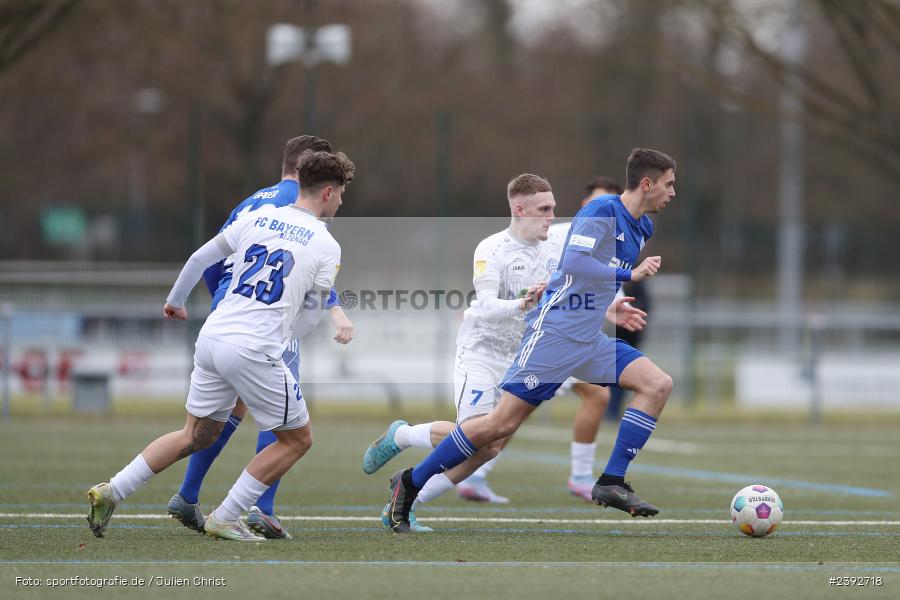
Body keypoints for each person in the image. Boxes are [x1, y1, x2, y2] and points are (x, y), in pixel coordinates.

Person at [383, 148, 676, 533]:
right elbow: (574, 264)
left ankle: (611, 482)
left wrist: (610, 308)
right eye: (669, 185)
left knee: (657, 384)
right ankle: (409, 483)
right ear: (647, 183)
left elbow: (586, 280)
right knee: (497, 427)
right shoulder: (602, 210)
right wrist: (629, 273)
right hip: (553, 335)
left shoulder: (643, 227)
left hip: (587, 339)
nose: (673, 193)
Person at [86, 150, 354, 541]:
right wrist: (283, 337)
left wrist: (176, 301)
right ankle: (227, 515)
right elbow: (313, 312)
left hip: (212, 337)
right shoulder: (327, 245)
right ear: (328, 192)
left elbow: (200, 257)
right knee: (297, 439)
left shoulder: (256, 217)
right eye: (343, 194)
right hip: (254, 349)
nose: (343, 202)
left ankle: (112, 490)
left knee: (195, 434)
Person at [165, 135, 355, 540]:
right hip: (267, 318)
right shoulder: (295, 206)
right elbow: (305, 268)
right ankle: (258, 508)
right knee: (285, 411)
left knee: (228, 413)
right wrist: (332, 308)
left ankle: (188, 493)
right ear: (312, 171)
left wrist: (221, 298)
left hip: (232, 310)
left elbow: (213, 257)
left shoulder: (252, 200)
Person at [550, 175, 643, 502]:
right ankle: (413, 453)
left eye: (611, 204)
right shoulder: (561, 234)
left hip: (576, 340)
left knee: (600, 396)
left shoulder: (616, 246)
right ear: (584, 205)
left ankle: (581, 477)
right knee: (498, 426)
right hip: (542, 336)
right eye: (599, 203)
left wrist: (610, 309)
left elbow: (600, 292)